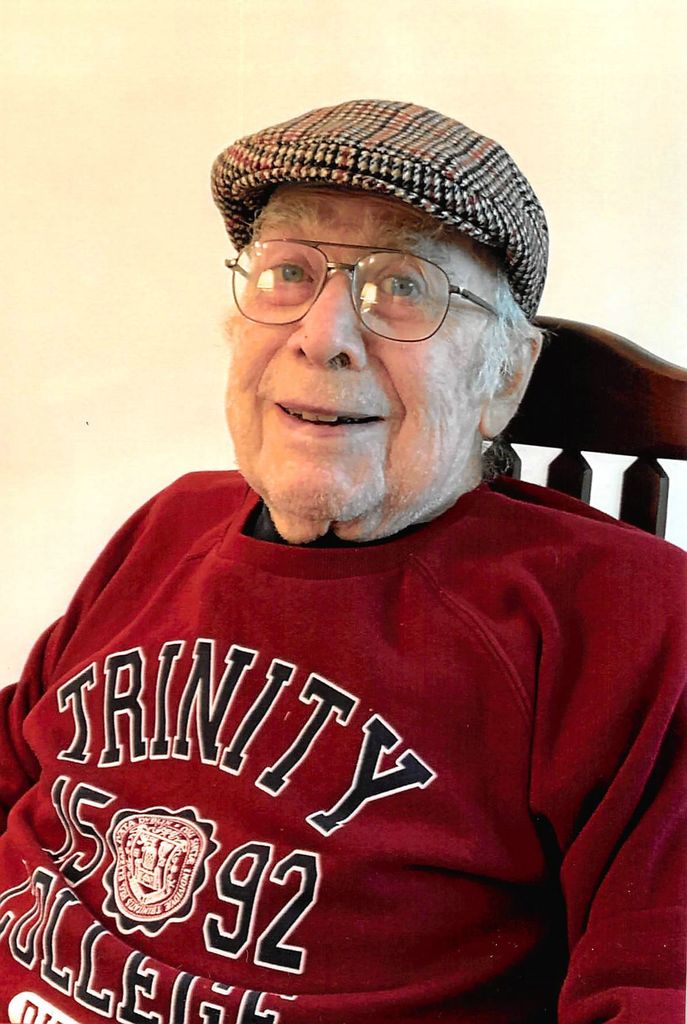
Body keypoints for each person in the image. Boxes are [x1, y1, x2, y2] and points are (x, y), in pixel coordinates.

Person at [0, 99, 684, 1024]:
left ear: (506, 376)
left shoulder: (623, 614)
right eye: (288, 272)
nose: (321, 336)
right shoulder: (173, 521)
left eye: (403, 286)